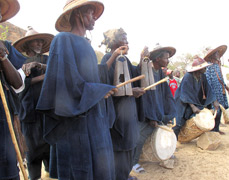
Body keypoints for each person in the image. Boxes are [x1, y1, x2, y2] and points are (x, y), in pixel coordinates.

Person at [36, 0, 117, 179]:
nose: (94, 18)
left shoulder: (87, 45)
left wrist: (102, 90)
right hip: (76, 124)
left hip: (94, 119)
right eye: (90, 13)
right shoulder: (62, 40)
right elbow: (67, 84)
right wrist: (99, 91)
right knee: (80, 170)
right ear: (78, 14)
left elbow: (91, 78)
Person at [100, 28, 145, 180]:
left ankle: (124, 175)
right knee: (119, 148)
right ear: (113, 42)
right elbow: (107, 87)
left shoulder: (124, 59)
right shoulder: (108, 59)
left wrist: (141, 58)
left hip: (129, 111)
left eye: (127, 39)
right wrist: (131, 91)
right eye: (123, 39)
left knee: (129, 145)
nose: (127, 42)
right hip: (117, 113)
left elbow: (135, 76)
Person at [13, 27, 54, 180]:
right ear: (27, 44)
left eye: (40, 41)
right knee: (32, 155)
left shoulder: (48, 60)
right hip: (29, 116)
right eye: (35, 41)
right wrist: (36, 78)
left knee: (50, 153)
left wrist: (41, 68)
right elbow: (18, 87)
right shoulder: (19, 63)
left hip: (48, 115)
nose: (38, 43)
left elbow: (58, 72)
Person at [132, 45, 176, 173]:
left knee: (162, 133)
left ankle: (163, 153)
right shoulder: (146, 71)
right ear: (157, 59)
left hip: (158, 111)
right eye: (166, 58)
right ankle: (133, 163)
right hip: (145, 113)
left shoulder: (160, 74)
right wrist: (151, 116)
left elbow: (165, 95)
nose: (168, 61)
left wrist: (167, 112)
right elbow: (147, 98)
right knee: (139, 137)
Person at [0, 0, 27, 179]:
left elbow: (18, 83)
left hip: (4, 121)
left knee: (8, 168)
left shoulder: (6, 47)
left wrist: (3, 57)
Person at [173, 56, 219, 138]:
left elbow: (208, 89)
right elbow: (185, 93)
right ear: (198, 69)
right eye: (204, 67)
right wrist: (193, 106)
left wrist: (214, 101)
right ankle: (173, 140)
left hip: (193, 100)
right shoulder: (188, 76)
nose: (206, 68)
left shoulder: (203, 76)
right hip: (182, 100)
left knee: (195, 117)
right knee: (179, 122)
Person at [204, 45, 229, 134]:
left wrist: (227, 88)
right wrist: (213, 98)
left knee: (220, 110)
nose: (218, 54)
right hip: (214, 93)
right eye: (216, 53)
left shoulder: (217, 66)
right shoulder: (209, 67)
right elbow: (208, 83)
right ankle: (213, 129)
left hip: (220, 92)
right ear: (212, 56)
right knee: (216, 111)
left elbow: (221, 79)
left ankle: (216, 128)